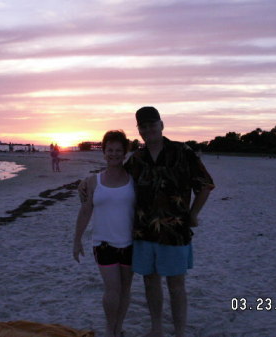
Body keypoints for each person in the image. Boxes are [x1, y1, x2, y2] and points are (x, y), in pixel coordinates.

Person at [80, 107, 215, 337]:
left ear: (162, 125)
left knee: (176, 285)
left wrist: (193, 215)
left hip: (175, 232)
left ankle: (180, 332)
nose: (148, 129)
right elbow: (115, 174)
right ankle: (156, 329)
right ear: (139, 131)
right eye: (143, 126)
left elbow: (205, 185)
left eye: (152, 124)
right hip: (143, 234)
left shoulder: (183, 152)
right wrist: (86, 182)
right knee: (151, 284)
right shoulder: (138, 159)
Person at [73, 130, 135, 337]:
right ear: (104, 152)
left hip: (130, 244)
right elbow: (85, 211)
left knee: (125, 290)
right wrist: (77, 240)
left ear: (125, 152)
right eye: (110, 150)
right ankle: (111, 329)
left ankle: (119, 327)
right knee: (112, 289)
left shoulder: (134, 180)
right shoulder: (93, 181)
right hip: (103, 244)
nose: (114, 154)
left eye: (119, 150)